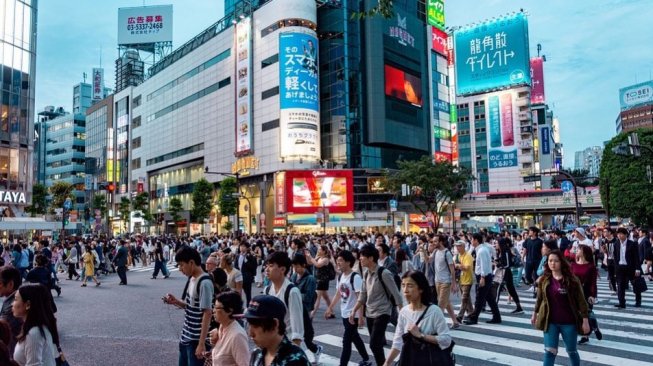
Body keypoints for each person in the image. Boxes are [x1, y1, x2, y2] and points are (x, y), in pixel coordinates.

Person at [531, 250, 590, 366]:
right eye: (550, 261)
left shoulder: (572, 280)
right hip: (550, 322)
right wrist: (535, 313)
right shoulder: (544, 280)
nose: (552, 263)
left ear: (562, 262)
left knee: (572, 351)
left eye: (556, 261)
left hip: (569, 322)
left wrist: (585, 320)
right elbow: (540, 299)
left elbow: (581, 301)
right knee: (549, 352)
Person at [383, 270, 452, 366]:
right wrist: (387, 363)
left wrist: (421, 336)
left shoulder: (434, 311)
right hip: (410, 360)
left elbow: (446, 340)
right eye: (403, 285)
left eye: (410, 286)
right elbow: (397, 342)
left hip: (431, 361)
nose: (405, 290)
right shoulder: (404, 312)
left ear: (421, 289)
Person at [350, 245, 403, 366]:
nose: (360, 259)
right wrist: (354, 311)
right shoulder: (366, 273)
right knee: (377, 345)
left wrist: (402, 315)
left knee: (374, 344)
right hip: (370, 312)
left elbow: (396, 295)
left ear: (371, 258)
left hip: (383, 312)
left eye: (363, 256)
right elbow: (363, 296)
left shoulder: (384, 273)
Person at [164, 246, 214, 366]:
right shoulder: (192, 279)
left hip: (196, 340)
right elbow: (192, 307)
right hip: (186, 336)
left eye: (181, 265)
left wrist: (201, 344)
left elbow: (207, 313)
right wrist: (176, 301)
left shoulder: (204, 283)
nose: (180, 269)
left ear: (191, 263)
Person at [325, 250, 372, 366]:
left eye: (340, 261)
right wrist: (330, 307)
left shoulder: (355, 277)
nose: (338, 263)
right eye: (337, 261)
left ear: (348, 262)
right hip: (344, 313)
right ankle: (366, 358)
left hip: (353, 315)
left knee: (346, 341)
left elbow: (360, 299)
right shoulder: (340, 276)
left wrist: (361, 317)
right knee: (354, 337)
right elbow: (338, 293)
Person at [245, 295, 311, 366]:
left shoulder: (295, 360)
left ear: (275, 324)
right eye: (249, 325)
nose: (250, 333)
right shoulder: (257, 353)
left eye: (256, 326)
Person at [263, 252, 305, 348]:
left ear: (282, 269)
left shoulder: (292, 291)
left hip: (289, 344)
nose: (266, 269)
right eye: (266, 266)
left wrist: (294, 352)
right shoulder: (267, 290)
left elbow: (297, 328)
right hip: (273, 342)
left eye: (271, 266)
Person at [12, 283, 60, 366]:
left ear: (28, 305)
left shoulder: (34, 333)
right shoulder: (37, 328)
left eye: (16, 299)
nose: (12, 304)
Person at [463, 233, 501, 325]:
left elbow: (484, 265)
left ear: (476, 240)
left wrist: (482, 277)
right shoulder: (480, 249)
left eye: (472, 239)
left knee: (479, 298)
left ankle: (474, 318)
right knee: (489, 298)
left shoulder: (482, 251)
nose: (471, 241)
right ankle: (497, 317)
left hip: (484, 276)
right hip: (484, 276)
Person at [288, 254, 321, 361]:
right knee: (295, 335)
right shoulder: (293, 276)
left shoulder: (310, 279)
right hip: (294, 310)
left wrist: (294, 294)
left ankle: (316, 349)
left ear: (304, 265)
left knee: (307, 337)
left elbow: (308, 297)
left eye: (297, 267)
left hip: (305, 311)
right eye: (294, 267)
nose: (295, 269)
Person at [208, 291, 250, 366]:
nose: (213, 311)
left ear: (230, 311)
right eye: (214, 307)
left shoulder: (237, 336)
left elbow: (244, 363)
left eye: (217, 308)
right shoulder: (222, 326)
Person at [571, 245, 601, 345]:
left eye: (579, 249)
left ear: (584, 252)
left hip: (587, 292)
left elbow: (593, 283)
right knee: (577, 313)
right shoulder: (573, 265)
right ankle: (593, 325)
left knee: (586, 313)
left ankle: (586, 335)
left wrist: (593, 295)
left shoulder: (591, 266)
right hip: (575, 292)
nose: (576, 251)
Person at [433, 234, 460, 328]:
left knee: (440, 305)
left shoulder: (447, 253)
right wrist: (423, 250)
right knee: (447, 303)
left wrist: (454, 283)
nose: (434, 243)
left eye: (435, 241)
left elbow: (452, 269)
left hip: (445, 282)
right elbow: (428, 260)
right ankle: (455, 322)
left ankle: (437, 327)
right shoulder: (435, 251)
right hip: (437, 281)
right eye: (433, 241)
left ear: (440, 242)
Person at [613, 227, 642, 308]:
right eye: (618, 234)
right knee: (620, 285)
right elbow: (615, 257)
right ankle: (622, 302)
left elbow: (636, 257)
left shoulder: (632, 244)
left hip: (631, 267)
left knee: (635, 284)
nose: (619, 236)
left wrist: (637, 269)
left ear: (626, 235)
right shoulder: (616, 244)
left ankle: (638, 301)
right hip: (620, 268)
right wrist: (616, 268)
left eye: (621, 234)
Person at [305, 244, 334, 319]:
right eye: (318, 249)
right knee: (326, 297)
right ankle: (331, 311)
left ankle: (311, 315)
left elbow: (318, 265)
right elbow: (310, 263)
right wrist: (308, 256)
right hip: (318, 279)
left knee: (317, 297)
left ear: (324, 251)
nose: (318, 251)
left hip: (323, 280)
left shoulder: (326, 259)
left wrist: (311, 257)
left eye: (320, 250)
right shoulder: (318, 257)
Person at [0, 266, 22, 354]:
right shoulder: (17, 297)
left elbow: (2, 329)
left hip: (13, 352)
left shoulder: (13, 305)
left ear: (10, 284)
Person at [454, 240, 474, 323]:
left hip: (467, 280)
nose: (457, 248)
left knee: (464, 298)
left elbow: (467, 268)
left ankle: (460, 316)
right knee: (467, 298)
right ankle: (471, 313)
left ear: (463, 246)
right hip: (460, 280)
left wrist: (458, 266)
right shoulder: (457, 256)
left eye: (459, 246)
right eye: (456, 246)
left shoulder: (468, 256)